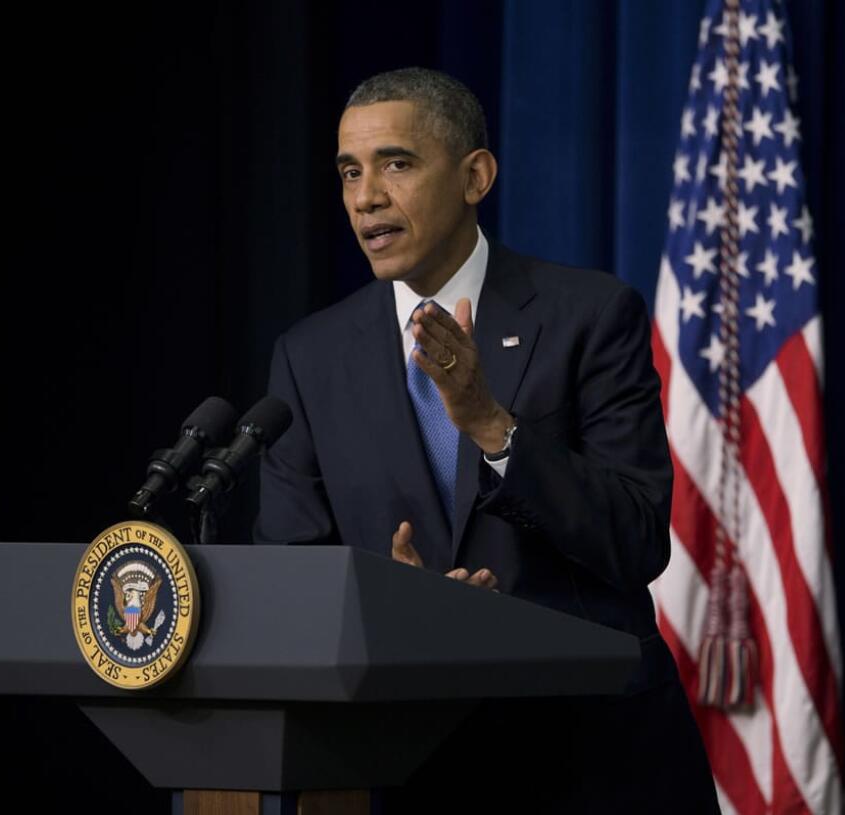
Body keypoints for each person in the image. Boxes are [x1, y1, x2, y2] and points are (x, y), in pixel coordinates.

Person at [254, 67, 717, 814]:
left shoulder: (590, 316)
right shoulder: (310, 357)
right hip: (405, 765)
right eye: (349, 171)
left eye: (395, 163)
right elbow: (290, 576)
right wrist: (396, 607)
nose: (365, 196)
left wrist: (491, 425)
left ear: (475, 175)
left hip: (588, 757)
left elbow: (637, 538)